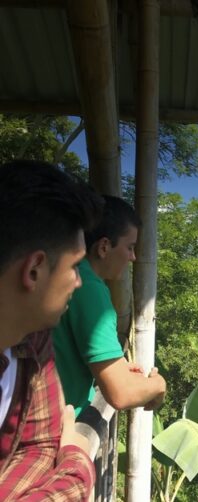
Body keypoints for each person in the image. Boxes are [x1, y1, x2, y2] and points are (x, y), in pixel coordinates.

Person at [0, 159, 103, 500]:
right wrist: (76, 462)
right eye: (75, 267)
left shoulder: (32, 339)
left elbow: (39, 446)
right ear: (34, 270)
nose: (78, 281)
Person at [54, 196, 165, 416]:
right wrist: (159, 385)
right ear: (104, 247)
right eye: (130, 247)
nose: (133, 257)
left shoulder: (66, 272)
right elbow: (121, 394)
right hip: (55, 430)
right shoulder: (89, 288)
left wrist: (118, 369)